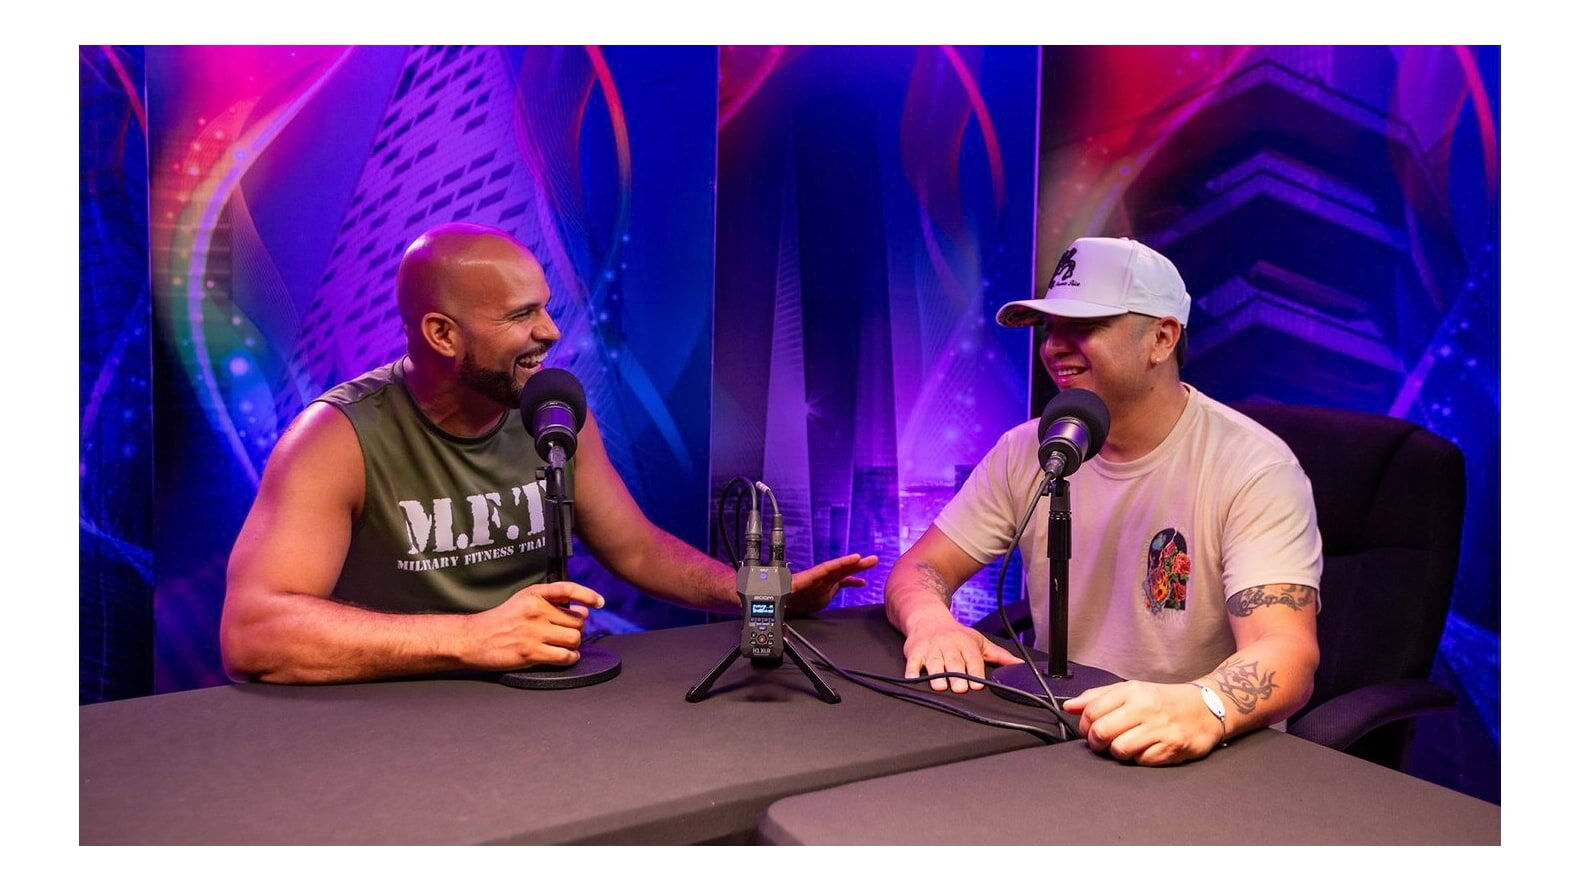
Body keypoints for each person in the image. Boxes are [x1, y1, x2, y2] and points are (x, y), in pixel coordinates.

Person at [221, 223, 876, 683]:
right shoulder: (334, 438)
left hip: (535, 698)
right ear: (442, 334)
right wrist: (471, 638)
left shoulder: (551, 406)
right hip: (398, 709)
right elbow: (254, 633)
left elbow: (636, 549)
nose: (551, 332)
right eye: (521, 315)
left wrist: (762, 596)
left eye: (547, 309)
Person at [884, 236, 1322, 766]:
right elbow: (920, 568)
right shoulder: (1027, 449)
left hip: (1193, 751)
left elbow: (1286, 650)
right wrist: (932, 621)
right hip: (1058, 729)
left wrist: (1204, 704)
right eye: (1051, 328)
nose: (1054, 347)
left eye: (1084, 327)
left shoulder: (1255, 467)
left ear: (1161, 338)